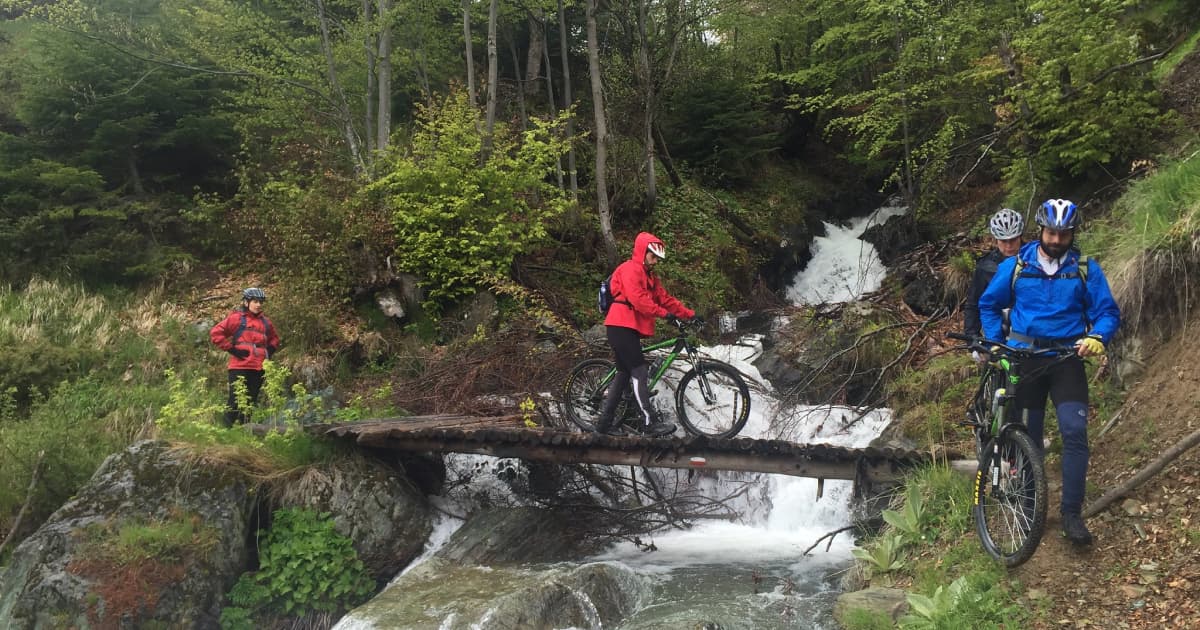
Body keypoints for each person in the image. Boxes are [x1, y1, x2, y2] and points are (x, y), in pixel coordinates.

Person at [978, 199, 1120, 546]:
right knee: (1029, 437)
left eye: (1064, 233)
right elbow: (988, 304)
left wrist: (1097, 337)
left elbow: (1108, 313)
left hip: (1066, 358)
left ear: (1072, 233)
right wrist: (996, 343)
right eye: (1052, 232)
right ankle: (1029, 507)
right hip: (1026, 359)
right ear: (1041, 231)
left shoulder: (1086, 268)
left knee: (1074, 432)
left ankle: (1072, 514)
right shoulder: (1015, 266)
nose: (1057, 239)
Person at [595, 232, 697, 437]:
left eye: (658, 258)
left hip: (626, 328)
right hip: (620, 325)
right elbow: (638, 298)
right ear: (643, 252)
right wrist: (663, 315)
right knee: (639, 371)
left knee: (624, 374)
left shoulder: (650, 276)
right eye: (653, 256)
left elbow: (665, 299)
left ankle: (603, 425)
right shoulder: (630, 269)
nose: (656, 261)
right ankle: (649, 423)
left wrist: (690, 315)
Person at [210, 287, 280, 426]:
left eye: (260, 302)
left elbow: (275, 339)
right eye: (255, 301)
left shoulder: (266, 322)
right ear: (246, 302)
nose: (259, 304)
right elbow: (215, 333)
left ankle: (243, 433)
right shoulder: (237, 319)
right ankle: (225, 432)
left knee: (250, 402)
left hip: (259, 367)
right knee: (235, 400)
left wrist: (270, 350)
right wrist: (232, 350)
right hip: (239, 366)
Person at [963, 208, 1025, 363]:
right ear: (996, 239)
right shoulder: (985, 266)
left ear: (1020, 237)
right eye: (1004, 241)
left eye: (1013, 240)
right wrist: (973, 340)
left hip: (1027, 329)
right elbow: (973, 303)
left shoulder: (1035, 259)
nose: (1009, 246)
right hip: (997, 329)